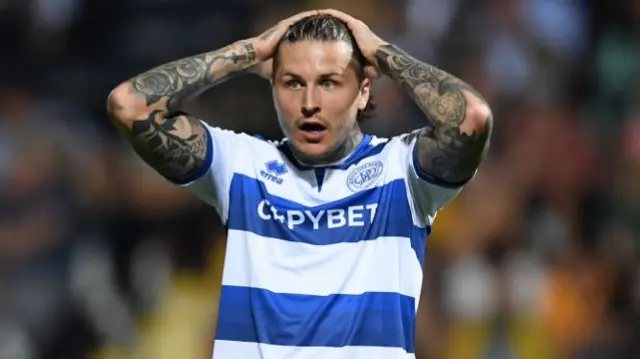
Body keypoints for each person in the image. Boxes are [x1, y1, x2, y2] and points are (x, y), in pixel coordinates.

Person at [107, 9, 492, 359]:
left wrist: (380, 52)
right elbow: (130, 104)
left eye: (329, 82)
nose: (309, 102)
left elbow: (471, 119)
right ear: (272, 88)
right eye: (292, 83)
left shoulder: (400, 171)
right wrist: (246, 54)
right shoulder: (242, 164)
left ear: (363, 91)